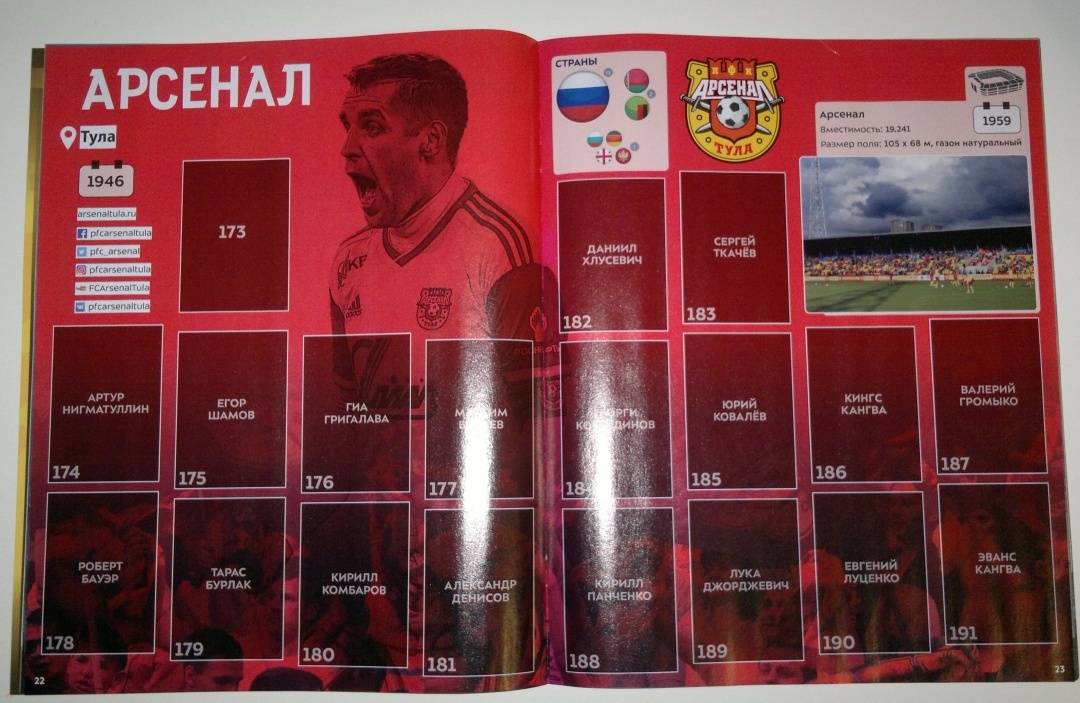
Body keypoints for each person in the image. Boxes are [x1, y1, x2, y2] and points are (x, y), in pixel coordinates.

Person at [330, 52, 544, 342]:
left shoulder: (500, 247)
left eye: (372, 127)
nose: (347, 148)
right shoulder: (348, 261)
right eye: (349, 127)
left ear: (431, 141)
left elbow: (532, 374)